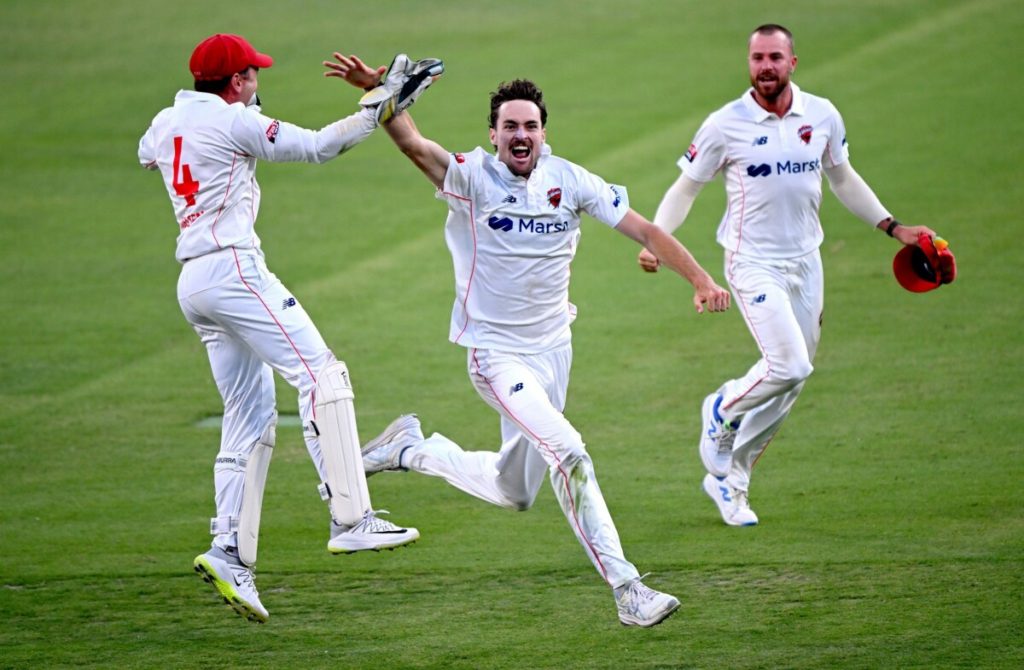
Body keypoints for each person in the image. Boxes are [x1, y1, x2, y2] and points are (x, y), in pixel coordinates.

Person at [326, 60, 731, 626]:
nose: (520, 135)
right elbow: (413, 144)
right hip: (495, 355)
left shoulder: (571, 181)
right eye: (509, 126)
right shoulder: (470, 177)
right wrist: (379, 88)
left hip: (553, 353)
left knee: (514, 491)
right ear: (493, 134)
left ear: (544, 132)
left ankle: (408, 449)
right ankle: (628, 588)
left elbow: (646, 231)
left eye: (530, 125)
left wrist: (701, 278)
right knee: (569, 452)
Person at [138, 34, 440, 623]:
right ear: (236, 82)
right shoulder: (233, 124)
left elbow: (150, 153)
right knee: (322, 374)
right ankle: (352, 517)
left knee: (248, 419)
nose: (258, 81)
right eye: (253, 74)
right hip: (234, 269)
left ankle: (230, 551)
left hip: (193, 285)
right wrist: (381, 103)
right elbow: (320, 147)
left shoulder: (166, 120)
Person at [636, 24, 941, 527]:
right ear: (749, 64)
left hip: (806, 261)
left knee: (790, 384)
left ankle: (731, 483)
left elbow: (842, 176)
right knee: (790, 366)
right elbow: (686, 187)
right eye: (757, 58)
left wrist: (894, 227)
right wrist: (656, 239)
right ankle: (720, 408)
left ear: (793, 62)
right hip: (751, 261)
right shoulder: (724, 124)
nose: (765, 67)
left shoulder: (821, 115)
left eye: (775, 57)